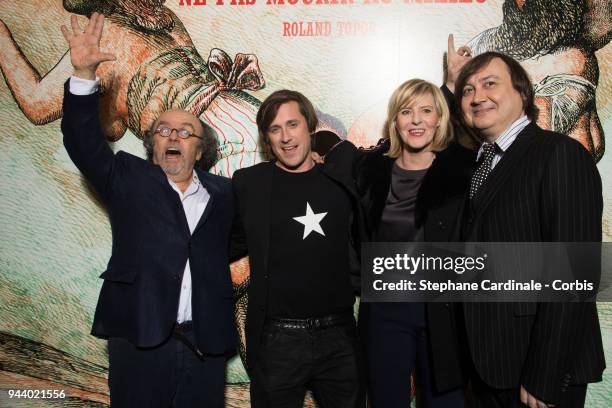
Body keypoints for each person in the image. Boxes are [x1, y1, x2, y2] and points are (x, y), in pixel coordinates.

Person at [60, 13, 236, 407]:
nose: (173, 135)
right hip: (137, 338)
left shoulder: (225, 193)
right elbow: (82, 141)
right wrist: (83, 73)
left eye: (185, 131)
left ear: (200, 149)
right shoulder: (127, 177)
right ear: (152, 144)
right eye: (163, 130)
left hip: (203, 344)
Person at [453, 51, 605, 408]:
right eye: (468, 89)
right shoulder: (480, 164)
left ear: (523, 94)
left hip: (537, 371)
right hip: (487, 365)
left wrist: (545, 375)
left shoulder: (560, 154)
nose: (477, 96)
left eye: (490, 84)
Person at [230, 90, 366, 407]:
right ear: (266, 137)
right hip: (278, 338)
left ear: (310, 127)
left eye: (293, 125)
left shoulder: (341, 177)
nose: (286, 137)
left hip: (340, 336)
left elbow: (362, 156)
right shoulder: (249, 183)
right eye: (275, 129)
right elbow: (229, 244)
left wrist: (332, 149)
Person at [355, 79, 473, 407]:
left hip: (443, 312)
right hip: (385, 311)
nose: (417, 120)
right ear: (395, 121)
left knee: (445, 403)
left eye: (426, 111)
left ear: (440, 119)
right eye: (407, 112)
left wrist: (452, 85)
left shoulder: (462, 173)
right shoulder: (370, 170)